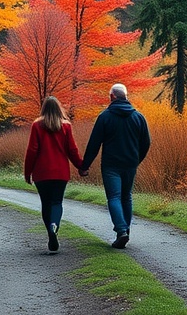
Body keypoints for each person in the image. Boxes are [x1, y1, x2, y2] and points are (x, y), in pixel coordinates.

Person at [78, 83, 151, 249]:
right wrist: (137, 159)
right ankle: (125, 231)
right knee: (126, 196)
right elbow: (146, 142)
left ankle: (121, 230)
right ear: (126, 96)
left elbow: (94, 144)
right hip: (130, 164)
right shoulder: (138, 117)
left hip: (111, 165)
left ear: (112, 97)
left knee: (114, 197)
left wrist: (85, 165)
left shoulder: (105, 117)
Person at [24, 96, 83, 254]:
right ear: (59, 109)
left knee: (46, 203)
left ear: (43, 108)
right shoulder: (66, 126)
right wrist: (81, 166)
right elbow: (72, 150)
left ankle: (50, 232)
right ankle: (54, 226)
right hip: (60, 172)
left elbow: (32, 151)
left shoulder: (37, 125)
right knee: (57, 202)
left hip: (41, 172)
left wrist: (27, 172)